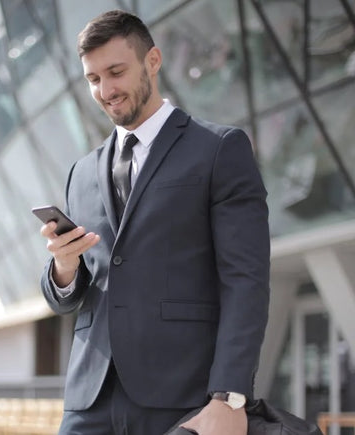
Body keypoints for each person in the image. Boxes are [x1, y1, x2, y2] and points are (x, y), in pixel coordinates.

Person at [39, 9, 270, 435]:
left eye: (115, 72)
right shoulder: (81, 173)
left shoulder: (219, 150)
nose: (105, 90)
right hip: (89, 400)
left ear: (153, 61)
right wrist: (64, 270)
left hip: (182, 395)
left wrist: (230, 396)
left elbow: (245, 280)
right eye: (93, 79)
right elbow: (71, 297)